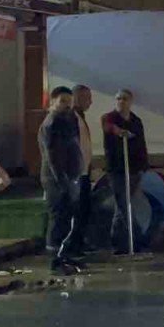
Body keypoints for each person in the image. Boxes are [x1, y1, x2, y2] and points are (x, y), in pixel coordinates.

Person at [40, 88, 83, 268]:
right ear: (53, 102)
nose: (67, 105)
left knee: (66, 218)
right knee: (58, 217)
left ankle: (64, 254)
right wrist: (62, 180)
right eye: (63, 101)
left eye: (69, 102)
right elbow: (52, 156)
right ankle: (54, 257)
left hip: (70, 176)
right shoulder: (52, 123)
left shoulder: (69, 119)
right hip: (56, 178)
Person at [102, 89, 147, 254]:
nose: (121, 101)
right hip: (117, 170)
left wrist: (143, 166)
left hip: (134, 169)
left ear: (130, 101)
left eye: (125, 99)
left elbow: (141, 144)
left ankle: (117, 243)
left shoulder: (136, 121)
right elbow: (108, 127)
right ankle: (138, 238)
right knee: (123, 205)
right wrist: (119, 132)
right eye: (118, 98)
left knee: (121, 209)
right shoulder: (109, 118)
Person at [72, 85, 95, 253]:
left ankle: (80, 243)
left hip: (84, 171)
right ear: (78, 98)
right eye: (88, 98)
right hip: (76, 173)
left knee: (84, 209)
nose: (90, 102)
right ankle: (74, 245)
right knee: (77, 210)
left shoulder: (80, 117)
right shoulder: (71, 118)